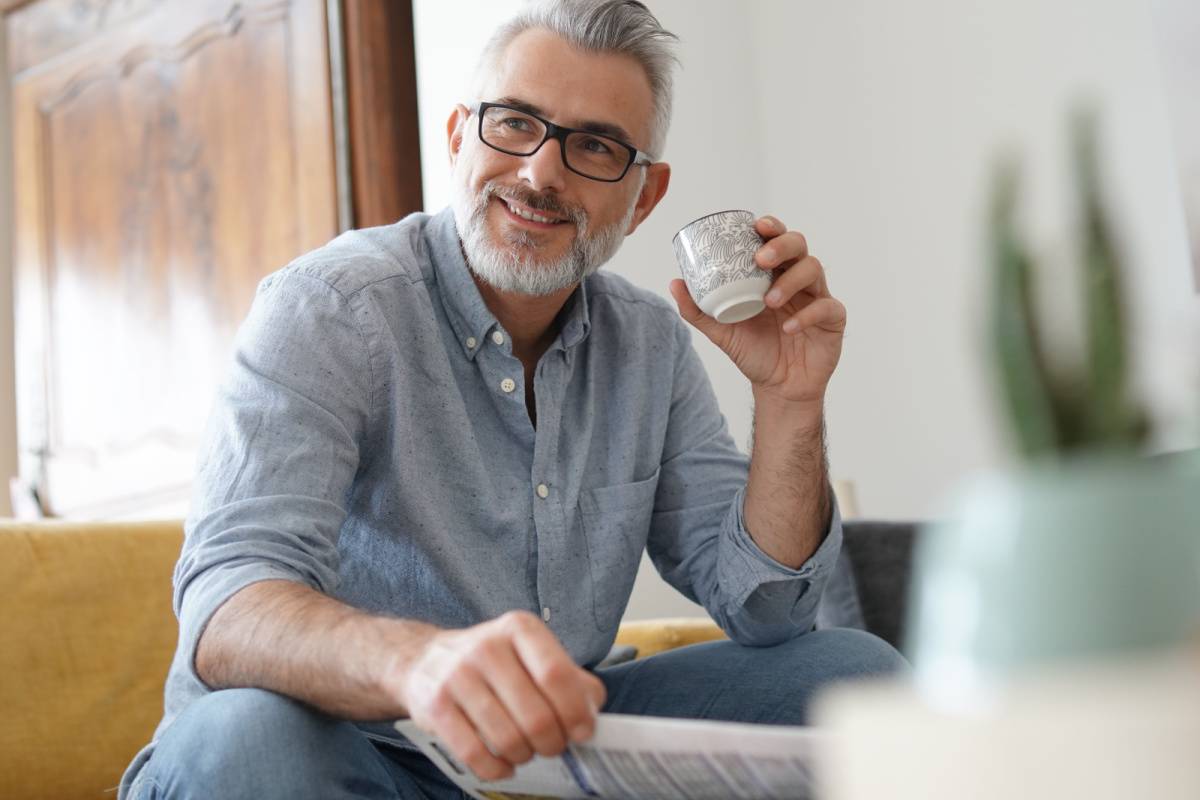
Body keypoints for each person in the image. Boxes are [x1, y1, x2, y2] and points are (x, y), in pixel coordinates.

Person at [119, 1, 904, 797]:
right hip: (342, 745)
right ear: (460, 135)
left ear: (644, 195)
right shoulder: (329, 307)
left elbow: (767, 613)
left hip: (546, 753)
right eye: (516, 124)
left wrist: (789, 399)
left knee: (855, 679)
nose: (540, 173)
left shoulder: (650, 345)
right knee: (245, 740)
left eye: (594, 145)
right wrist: (420, 663)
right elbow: (228, 609)